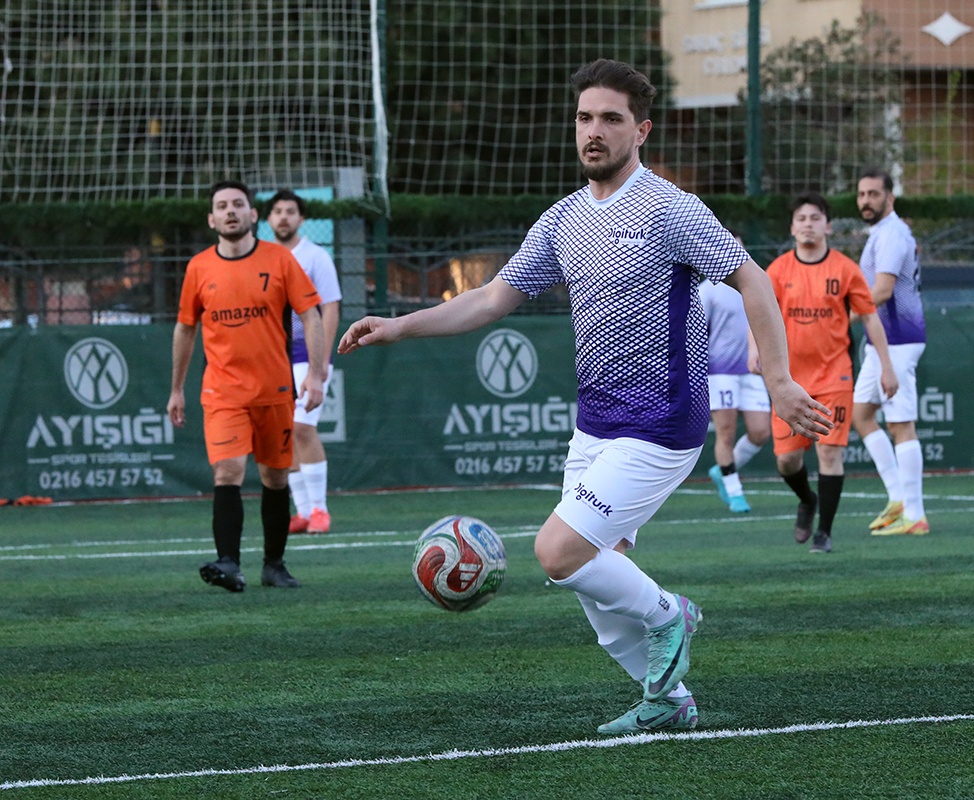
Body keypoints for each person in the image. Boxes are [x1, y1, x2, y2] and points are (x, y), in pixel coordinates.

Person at [338, 59, 830, 734]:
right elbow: (490, 298)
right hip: (596, 424)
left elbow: (754, 281)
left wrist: (778, 381)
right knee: (598, 583)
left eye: (610, 119)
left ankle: (672, 614)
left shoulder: (670, 208)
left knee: (557, 552)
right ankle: (668, 701)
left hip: (662, 422)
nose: (593, 131)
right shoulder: (563, 219)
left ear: (641, 131)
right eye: (584, 118)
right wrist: (399, 325)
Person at [168, 179, 327, 592]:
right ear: (211, 219)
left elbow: (311, 315)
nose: (230, 211)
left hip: (275, 390)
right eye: (222, 206)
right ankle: (229, 564)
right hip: (222, 392)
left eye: (238, 204)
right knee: (228, 470)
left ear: (253, 214)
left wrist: (316, 374)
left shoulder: (280, 260)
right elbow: (185, 328)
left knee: (275, 477)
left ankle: (274, 565)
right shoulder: (198, 267)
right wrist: (176, 389)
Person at [752, 192, 898, 553]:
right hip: (789, 382)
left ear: (828, 226)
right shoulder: (777, 270)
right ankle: (807, 499)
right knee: (787, 460)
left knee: (830, 453)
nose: (808, 225)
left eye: (815, 218)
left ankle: (825, 533)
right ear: (792, 228)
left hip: (835, 375)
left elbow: (870, 318)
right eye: (801, 219)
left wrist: (886, 366)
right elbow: (758, 313)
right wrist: (754, 348)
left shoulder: (845, 269)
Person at [852, 168, 929, 536]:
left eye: (874, 194)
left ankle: (915, 515)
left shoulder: (893, 234)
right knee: (862, 414)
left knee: (901, 425)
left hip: (899, 339)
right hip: (882, 340)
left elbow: (881, 291)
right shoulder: (882, 233)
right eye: (862, 194)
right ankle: (898, 500)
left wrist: (840, 319)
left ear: (889, 198)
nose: (866, 200)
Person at [265, 189, 343, 535]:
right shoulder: (263, 257)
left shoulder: (315, 257)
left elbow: (330, 307)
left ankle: (320, 510)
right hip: (272, 356)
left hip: (305, 355)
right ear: (268, 219)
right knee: (283, 433)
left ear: (301, 218)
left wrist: (320, 362)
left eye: (290, 211)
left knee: (302, 428)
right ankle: (302, 512)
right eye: (278, 211)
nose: (284, 217)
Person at [699, 265, 771, 514]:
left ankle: (723, 470)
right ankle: (735, 492)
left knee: (760, 432)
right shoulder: (708, 290)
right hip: (720, 373)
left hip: (752, 371)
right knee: (726, 433)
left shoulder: (754, 285)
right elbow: (697, 333)